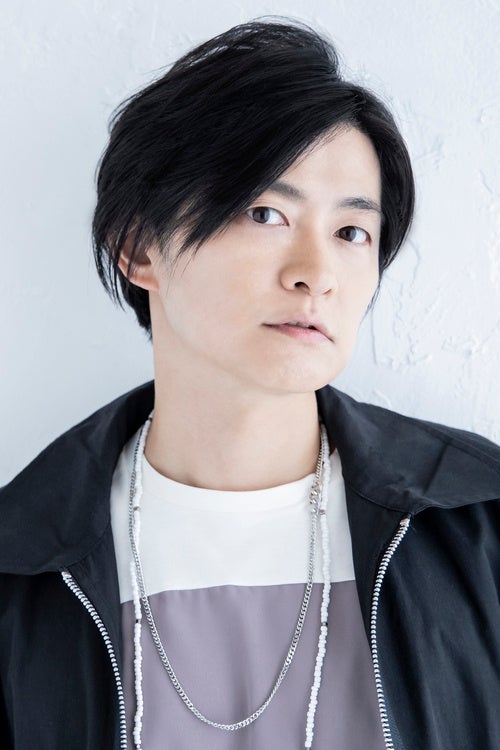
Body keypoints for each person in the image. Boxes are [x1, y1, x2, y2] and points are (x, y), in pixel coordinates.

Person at [1, 17, 499, 750]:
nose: (316, 274)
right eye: (266, 214)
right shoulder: (21, 563)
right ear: (138, 247)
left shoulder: (479, 522)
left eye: (351, 233)